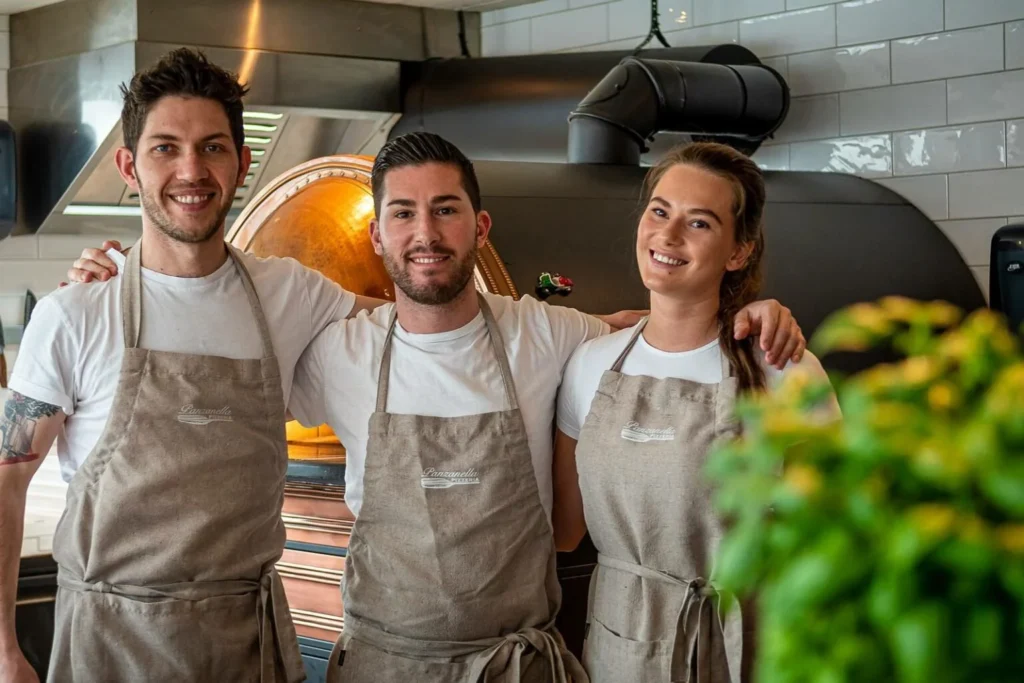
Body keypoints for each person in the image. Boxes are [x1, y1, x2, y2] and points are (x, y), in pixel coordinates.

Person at [63, 131, 807, 681]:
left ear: (479, 229)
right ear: (380, 236)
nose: (426, 234)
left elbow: (646, 332)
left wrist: (756, 313)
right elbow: (205, 337)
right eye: (405, 216)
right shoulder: (338, 350)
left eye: (446, 211)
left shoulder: (549, 336)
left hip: (516, 665)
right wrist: (116, 282)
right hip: (384, 666)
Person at [0, 48, 384, 683]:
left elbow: (425, 323)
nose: (191, 170)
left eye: (212, 147)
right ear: (128, 166)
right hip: (111, 646)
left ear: (242, 162)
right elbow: (7, 479)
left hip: (250, 647)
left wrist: (578, 326)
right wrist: (3, 649)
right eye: (165, 148)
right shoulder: (75, 314)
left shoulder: (290, 292)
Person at [551, 142, 839, 683]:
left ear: (739, 252)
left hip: (744, 645)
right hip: (621, 647)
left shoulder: (782, 369)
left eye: (699, 223)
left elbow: (831, 538)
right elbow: (564, 530)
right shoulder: (589, 365)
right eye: (659, 211)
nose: (668, 234)